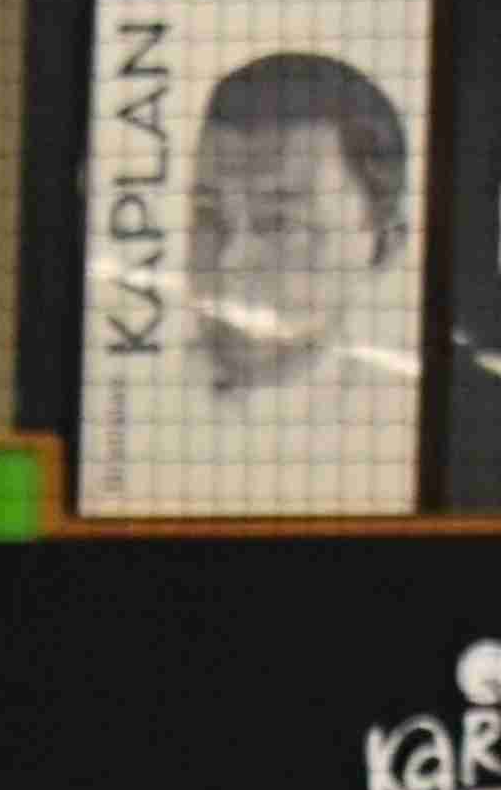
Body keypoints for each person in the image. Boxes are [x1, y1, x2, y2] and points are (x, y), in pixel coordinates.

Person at [92, 47, 422, 516]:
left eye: (280, 223)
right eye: (208, 214)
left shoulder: (402, 429)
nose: (229, 261)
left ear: (383, 247)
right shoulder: (124, 405)